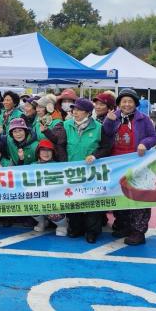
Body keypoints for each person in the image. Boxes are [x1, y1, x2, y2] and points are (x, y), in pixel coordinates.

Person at [103, 88, 156, 245]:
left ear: (135, 103)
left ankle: (138, 231)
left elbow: (153, 137)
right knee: (119, 195)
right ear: (119, 104)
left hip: (137, 164)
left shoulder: (143, 119)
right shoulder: (113, 117)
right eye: (123, 101)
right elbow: (106, 135)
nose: (127, 104)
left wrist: (144, 143)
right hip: (116, 164)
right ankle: (123, 225)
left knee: (138, 197)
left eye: (130, 101)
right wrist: (109, 121)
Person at [65, 98, 111, 244]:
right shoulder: (66, 125)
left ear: (88, 113)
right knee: (73, 200)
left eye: (79, 110)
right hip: (71, 171)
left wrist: (95, 156)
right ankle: (75, 228)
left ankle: (92, 231)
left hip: (92, 172)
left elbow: (106, 147)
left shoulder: (98, 127)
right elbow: (59, 144)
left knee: (92, 202)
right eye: (74, 109)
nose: (75, 112)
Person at [32, 139, 68, 236]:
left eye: (49, 150)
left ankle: (62, 225)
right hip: (38, 197)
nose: (46, 153)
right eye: (43, 150)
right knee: (29, 206)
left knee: (53, 210)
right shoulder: (32, 166)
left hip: (55, 198)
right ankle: (42, 222)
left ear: (53, 152)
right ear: (38, 152)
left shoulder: (58, 166)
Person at [33, 94, 67, 162]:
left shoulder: (57, 122)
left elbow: (59, 141)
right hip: (41, 158)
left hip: (55, 159)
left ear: (48, 108)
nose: (37, 110)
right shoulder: (38, 121)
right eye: (36, 107)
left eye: (40, 107)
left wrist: (46, 131)